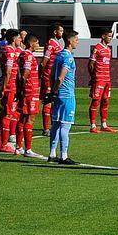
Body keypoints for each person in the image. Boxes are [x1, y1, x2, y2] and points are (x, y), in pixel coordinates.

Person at [47, 29, 79, 165]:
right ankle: (64, 156)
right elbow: (60, 77)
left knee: (56, 124)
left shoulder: (58, 55)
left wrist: (52, 92)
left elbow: (51, 75)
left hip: (59, 95)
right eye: (76, 40)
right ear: (70, 41)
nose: (77, 42)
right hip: (66, 95)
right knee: (65, 126)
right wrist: (55, 91)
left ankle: (52, 153)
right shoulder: (68, 58)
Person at [14, 34, 44, 158]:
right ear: (31, 43)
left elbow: (18, 74)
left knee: (22, 118)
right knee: (29, 119)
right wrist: (23, 89)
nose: (38, 45)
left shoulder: (22, 54)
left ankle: (19, 147)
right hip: (30, 91)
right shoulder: (28, 56)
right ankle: (28, 149)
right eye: (37, 43)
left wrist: (19, 89)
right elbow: (24, 74)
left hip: (25, 91)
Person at [0, 29, 21, 153]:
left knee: (3, 113)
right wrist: (4, 88)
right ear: (13, 38)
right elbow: (8, 71)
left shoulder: (5, 49)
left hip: (5, 86)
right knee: (8, 114)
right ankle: (4, 144)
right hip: (10, 87)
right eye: (19, 37)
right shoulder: (10, 51)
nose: (20, 40)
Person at [88, 27, 115, 133]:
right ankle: (93, 125)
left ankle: (104, 124)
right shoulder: (97, 48)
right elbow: (90, 64)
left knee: (105, 101)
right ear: (103, 36)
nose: (110, 38)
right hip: (99, 79)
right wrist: (93, 77)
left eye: (111, 36)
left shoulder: (108, 49)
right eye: (109, 36)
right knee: (96, 101)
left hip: (107, 79)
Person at [40, 23, 64, 136]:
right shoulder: (50, 43)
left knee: (53, 101)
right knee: (48, 101)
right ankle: (46, 129)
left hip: (53, 77)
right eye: (61, 30)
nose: (62, 32)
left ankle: (51, 125)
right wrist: (41, 75)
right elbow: (44, 60)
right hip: (48, 77)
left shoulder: (57, 43)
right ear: (55, 32)